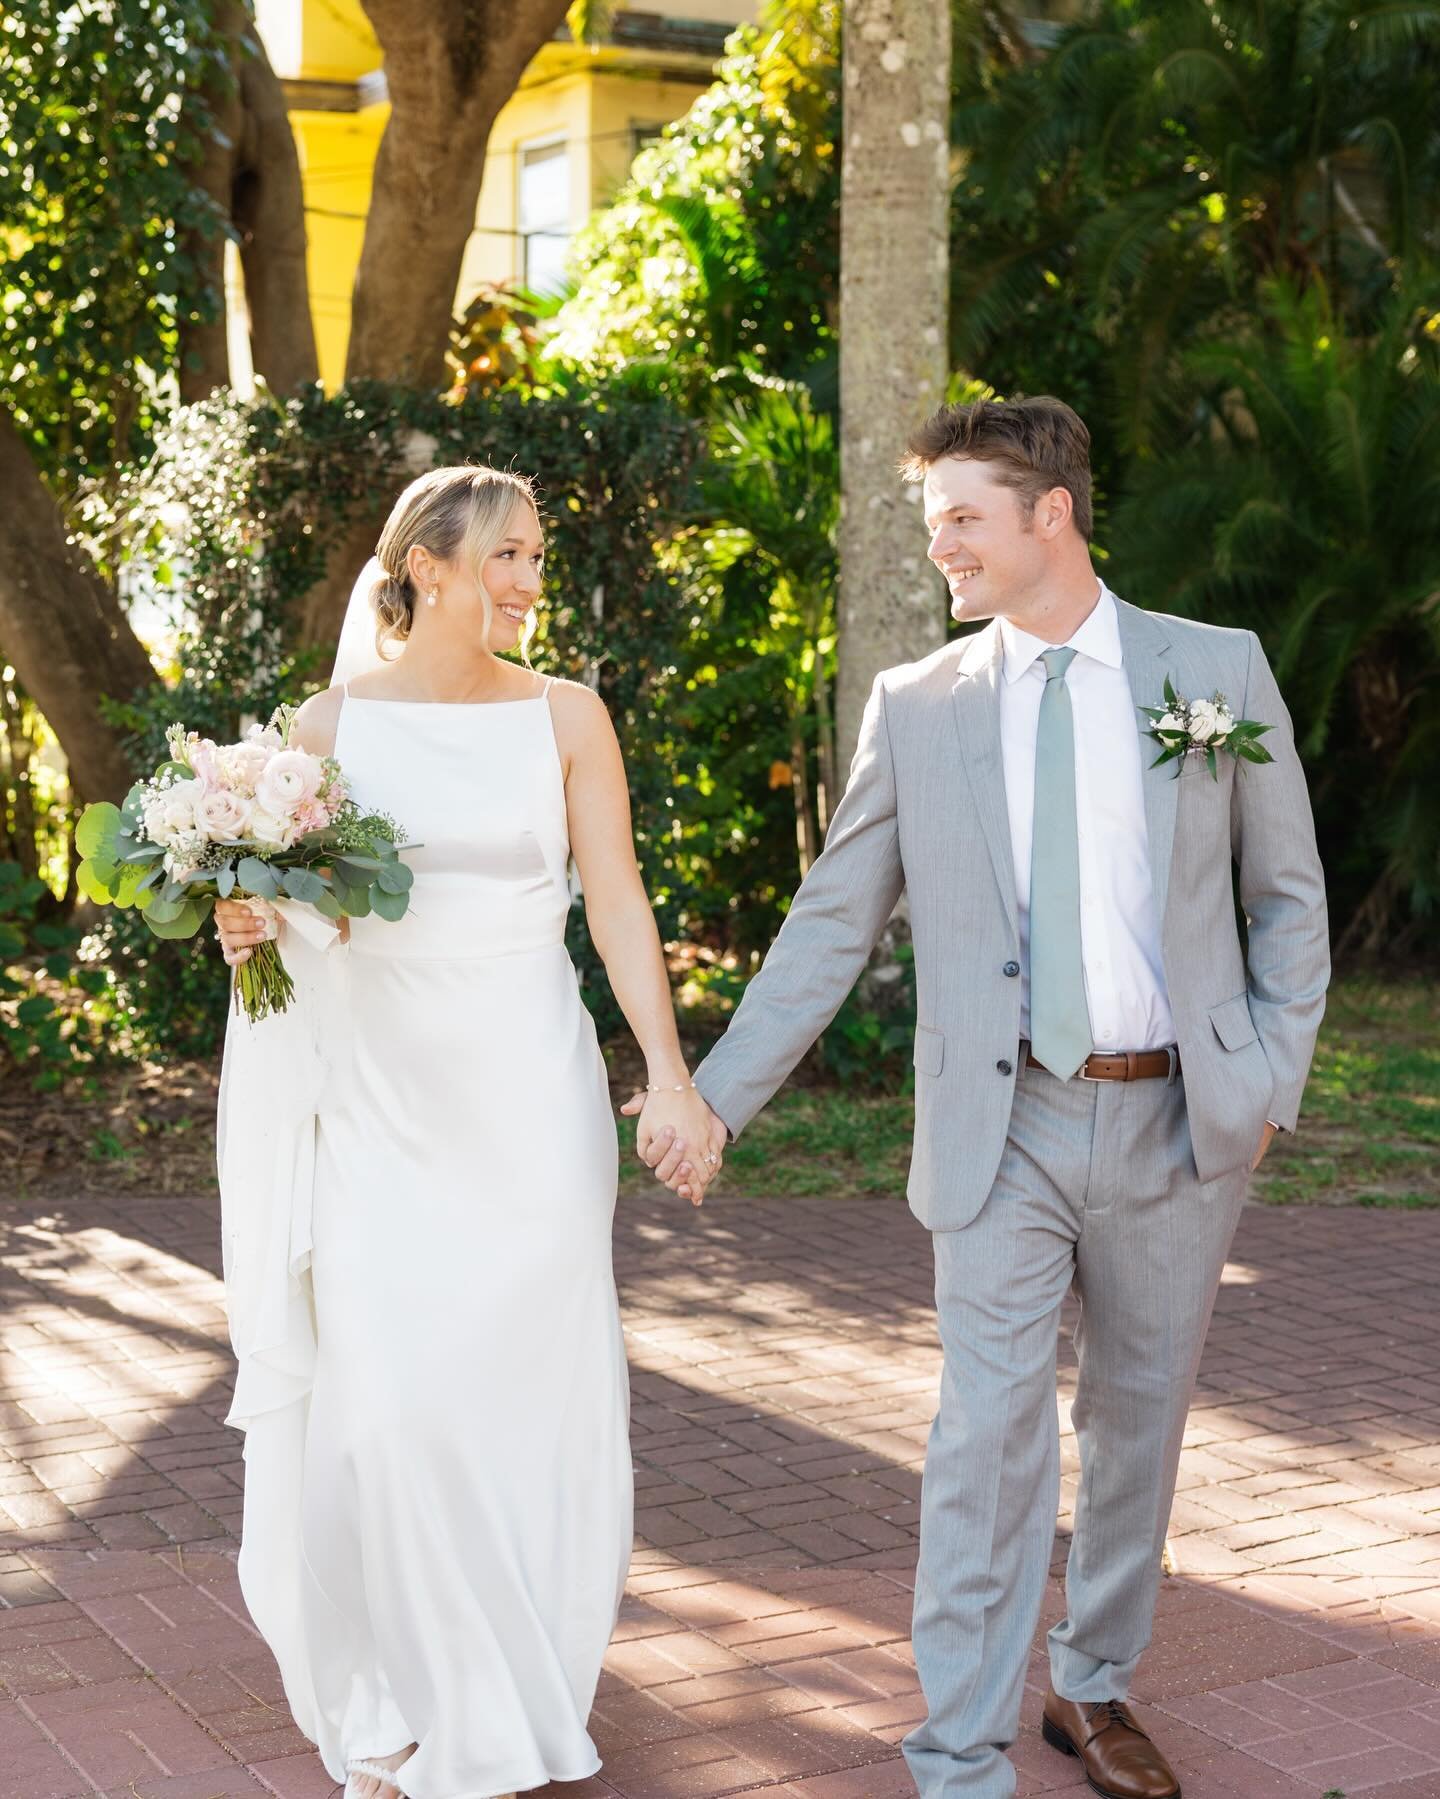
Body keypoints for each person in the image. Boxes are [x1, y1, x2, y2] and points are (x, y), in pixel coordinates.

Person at [634, 397, 1329, 1799]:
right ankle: (957, 1755)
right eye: (932, 519)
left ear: (1048, 515)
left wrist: (1265, 1082)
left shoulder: (1215, 671)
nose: (940, 545)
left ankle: (1094, 1685)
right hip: (996, 1126)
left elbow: (1287, 899)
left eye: (962, 517)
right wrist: (710, 1100)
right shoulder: (921, 706)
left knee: (1139, 1423)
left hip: (1180, 1123)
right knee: (984, 1438)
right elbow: (831, 923)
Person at [212, 464, 725, 1799]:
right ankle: (403, 1687)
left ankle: (517, 1684)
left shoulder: (568, 717)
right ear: (425, 563)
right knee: (391, 1405)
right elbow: (281, 923)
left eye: (537, 557)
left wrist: (666, 1073)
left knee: (526, 1390)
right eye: (506, 555)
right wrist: (243, 925)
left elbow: (613, 900)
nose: (528, 581)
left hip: (532, 1099)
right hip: (377, 1106)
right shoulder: (323, 730)